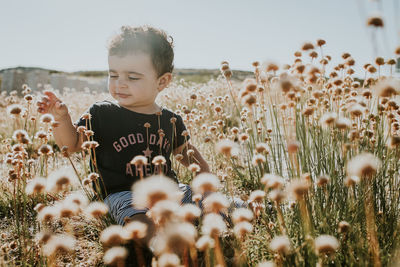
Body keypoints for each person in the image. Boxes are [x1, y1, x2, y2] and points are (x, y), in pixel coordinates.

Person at [37, 25, 245, 266]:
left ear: (162, 81)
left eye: (132, 77)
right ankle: (166, 248)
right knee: (139, 221)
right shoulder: (102, 113)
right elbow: (71, 145)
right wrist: (61, 119)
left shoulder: (169, 119)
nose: (120, 84)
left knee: (226, 204)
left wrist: (207, 186)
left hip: (171, 191)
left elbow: (187, 154)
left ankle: (234, 224)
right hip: (122, 195)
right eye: (113, 74)